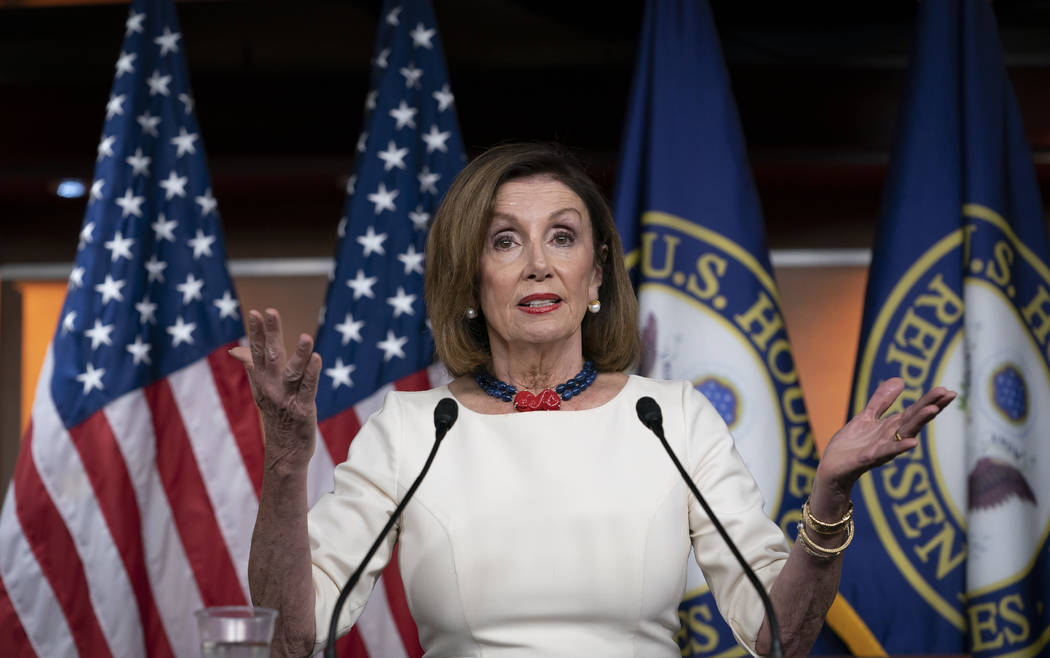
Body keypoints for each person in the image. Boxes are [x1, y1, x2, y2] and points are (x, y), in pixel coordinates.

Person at [235, 143, 955, 657]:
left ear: (596, 274)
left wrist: (829, 496)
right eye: (505, 241)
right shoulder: (413, 428)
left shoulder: (670, 418)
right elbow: (293, 639)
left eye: (563, 237)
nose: (539, 263)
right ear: (471, 283)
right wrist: (286, 464)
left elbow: (781, 635)